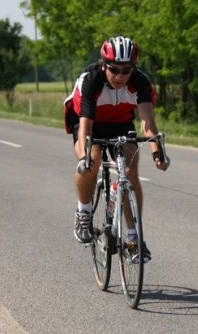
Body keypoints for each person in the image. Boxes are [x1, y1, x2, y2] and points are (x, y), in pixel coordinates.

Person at [63, 36, 169, 261]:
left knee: (130, 172)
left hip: (120, 121)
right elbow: (86, 127)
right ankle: (83, 211)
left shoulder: (140, 82)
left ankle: (134, 237)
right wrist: (84, 158)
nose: (120, 76)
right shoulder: (91, 81)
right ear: (103, 65)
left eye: (127, 70)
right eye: (114, 69)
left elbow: (148, 122)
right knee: (91, 160)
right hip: (88, 121)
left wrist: (157, 152)